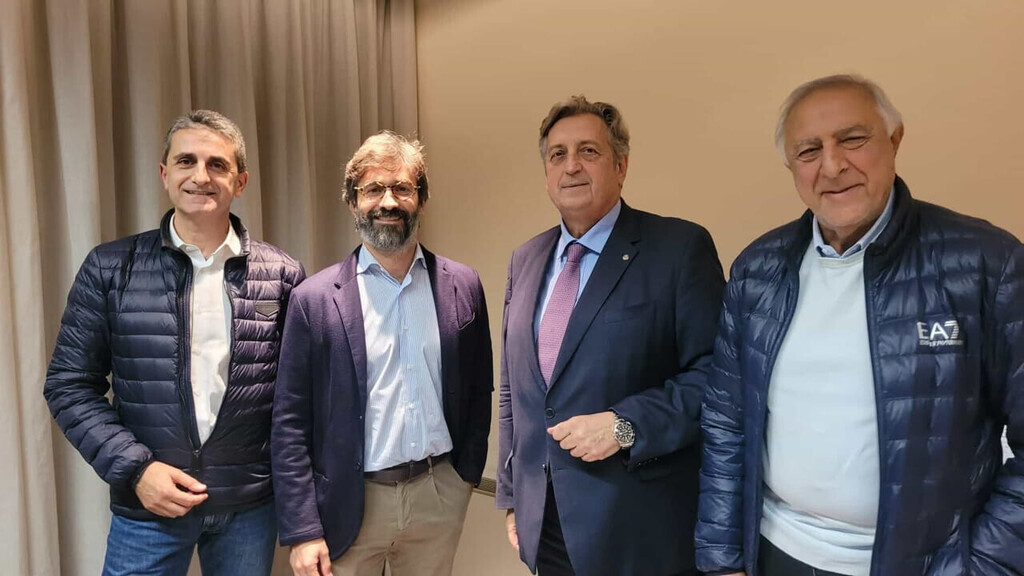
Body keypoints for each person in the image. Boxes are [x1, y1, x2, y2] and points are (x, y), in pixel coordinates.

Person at [696, 74, 1024, 575]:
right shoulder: (758, 270)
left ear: (894, 140)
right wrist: (723, 561)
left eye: (852, 139)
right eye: (809, 150)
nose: (832, 166)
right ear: (791, 166)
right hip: (775, 551)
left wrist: (979, 566)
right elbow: (726, 422)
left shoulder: (986, 263)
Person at [44, 109, 305, 575]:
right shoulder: (110, 267)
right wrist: (137, 470)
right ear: (165, 174)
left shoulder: (282, 275)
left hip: (248, 508)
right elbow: (69, 384)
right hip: (148, 508)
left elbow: (297, 399)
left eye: (217, 165)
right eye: (187, 161)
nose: (201, 176)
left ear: (241, 181)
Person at [496, 95, 726, 576]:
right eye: (558, 154)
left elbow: (716, 378)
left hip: (638, 529)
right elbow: (514, 392)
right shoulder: (525, 259)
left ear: (620, 166)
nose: (571, 166)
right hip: (547, 525)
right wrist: (513, 496)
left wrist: (625, 425)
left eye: (589, 151)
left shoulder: (678, 249)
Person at [271, 131, 492, 576]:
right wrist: (302, 530)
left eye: (402, 188)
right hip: (348, 499)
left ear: (422, 200)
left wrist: (464, 477)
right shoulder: (313, 299)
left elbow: (479, 387)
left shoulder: (463, 285)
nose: (388, 202)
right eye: (373, 189)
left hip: (437, 494)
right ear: (353, 203)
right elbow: (289, 421)